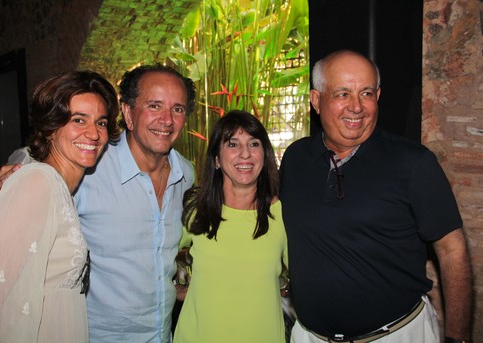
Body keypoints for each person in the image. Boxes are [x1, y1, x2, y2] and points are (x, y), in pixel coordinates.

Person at [0, 64, 197, 342]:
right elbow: (48, 156)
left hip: (162, 335)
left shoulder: (186, 174)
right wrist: (17, 171)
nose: (167, 119)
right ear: (128, 113)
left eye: (178, 109)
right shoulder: (90, 164)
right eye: (154, 106)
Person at [279, 50, 473, 343]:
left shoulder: (414, 163)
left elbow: (452, 250)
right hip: (310, 337)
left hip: (397, 335)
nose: (356, 107)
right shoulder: (295, 159)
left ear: (378, 96)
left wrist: (458, 338)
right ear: (317, 100)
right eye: (342, 94)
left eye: (366, 93)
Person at [0, 70, 121, 342]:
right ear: (51, 127)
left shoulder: (61, 187)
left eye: (101, 122)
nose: (94, 134)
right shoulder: (38, 182)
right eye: (78, 120)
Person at [173, 110, 288, 343]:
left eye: (253, 144)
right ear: (216, 159)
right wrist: (172, 290)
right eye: (233, 144)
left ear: (264, 156)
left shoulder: (282, 214)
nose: (245, 154)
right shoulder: (196, 210)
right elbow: (155, 254)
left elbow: (309, 274)